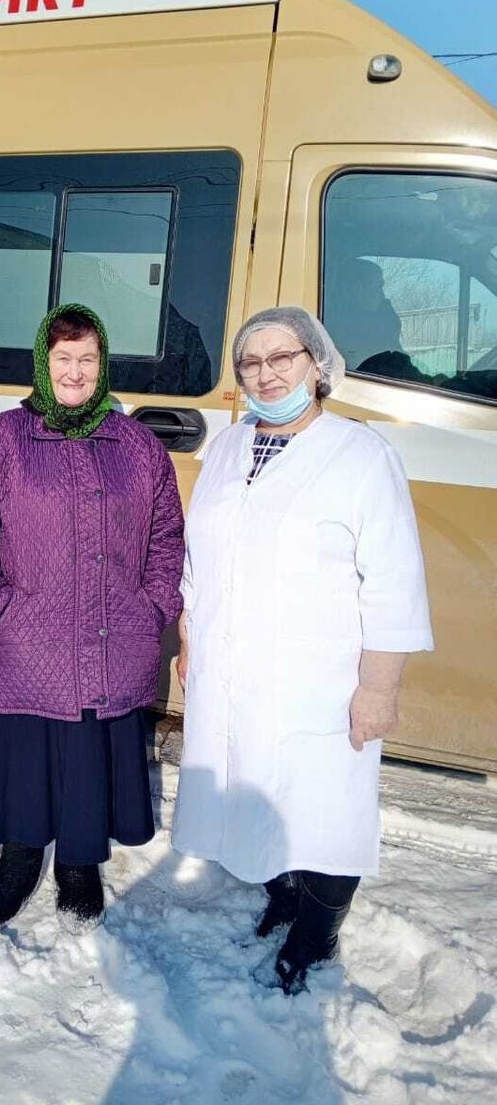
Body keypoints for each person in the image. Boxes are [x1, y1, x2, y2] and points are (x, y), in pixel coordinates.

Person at [171, 307, 433, 994]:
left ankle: (317, 933)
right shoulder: (229, 447)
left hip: (322, 678)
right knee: (255, 786)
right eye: (250, 363)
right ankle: (282, 893)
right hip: (232, 668)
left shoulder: (361, 454)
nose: (266, 374)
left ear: (317, 365)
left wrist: (380, 688)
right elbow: (199, 559)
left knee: (326, 808)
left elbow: (394, 581)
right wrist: (189, 640)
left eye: (282, 358)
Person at [0, 304, 184, 930]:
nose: (75, 372)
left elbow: (167, 536)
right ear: (42, 363)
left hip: (115, 633)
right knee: (27, 755)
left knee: (89, 752)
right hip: (29, 636)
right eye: (63, 358)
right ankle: (19, 860)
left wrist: (154, 606)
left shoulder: (137, 446)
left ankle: (79, 861)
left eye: (87, 359)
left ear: (103, 366)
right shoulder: (2, 440)